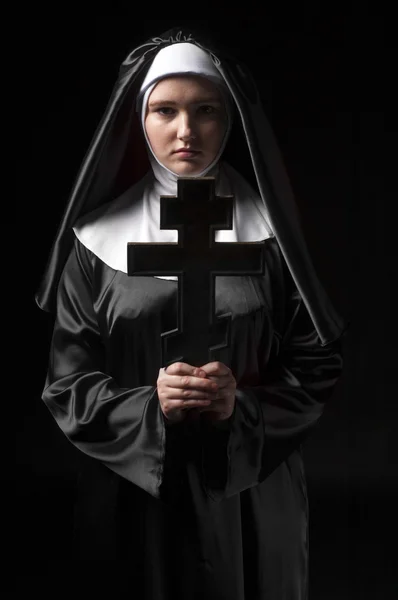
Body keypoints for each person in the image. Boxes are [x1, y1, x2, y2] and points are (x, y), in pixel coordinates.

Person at [36, 26, 348, 599]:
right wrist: (147, 407)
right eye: (165, 110)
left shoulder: (271, 235)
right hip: (134, 492)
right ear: (138, 118)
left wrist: (243, 407)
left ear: (229, 117)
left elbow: (316, 364)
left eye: (205, 109)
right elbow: (67, 383)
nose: (186, 131)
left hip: (249, 491)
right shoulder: (96, 241)